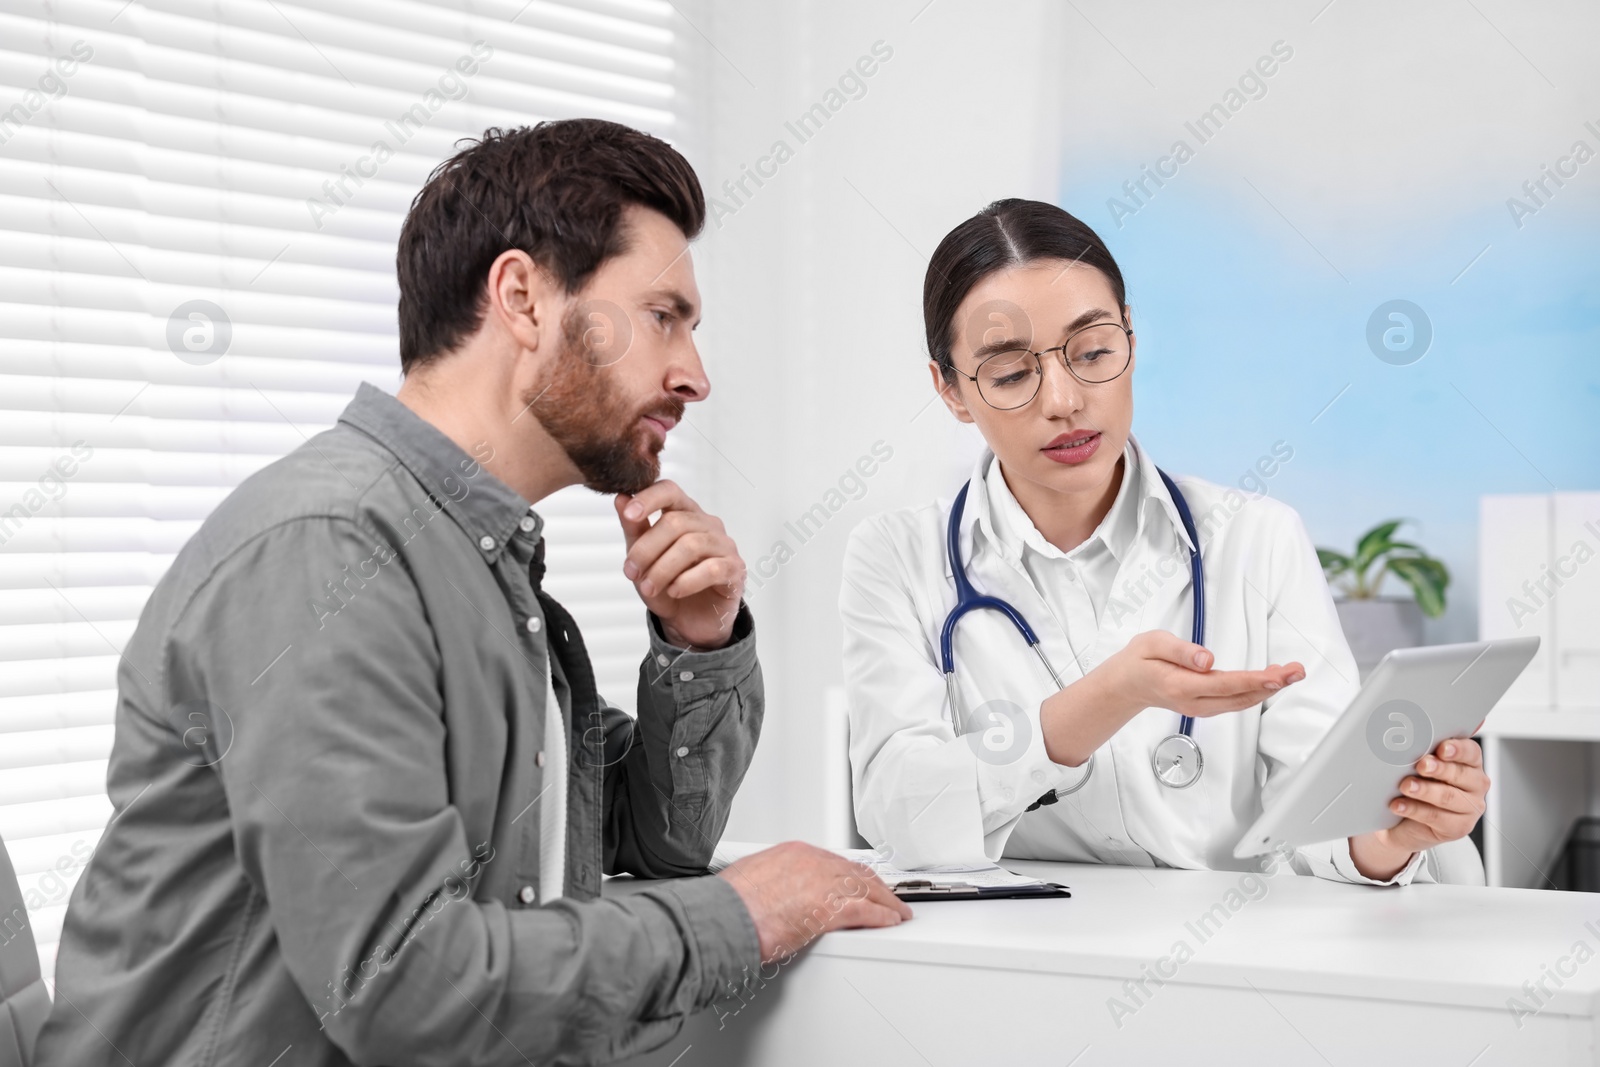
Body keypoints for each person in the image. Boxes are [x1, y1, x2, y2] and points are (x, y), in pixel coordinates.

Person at [35, 119, 909, 1067]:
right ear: (524, 297)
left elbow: (644, 842)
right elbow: (402, 982)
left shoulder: (477, 564)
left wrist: (697, 648)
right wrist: (741, 915)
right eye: (665, 315)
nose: (694, 374)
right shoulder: (332, 552)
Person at [841, 198, 1488, 885]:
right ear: (951, 391)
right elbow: (897, 811)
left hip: (1234, 957)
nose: (1062, 398)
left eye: (1092, 352)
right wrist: (1104, 700)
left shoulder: (1255, 538)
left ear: (1131, 343)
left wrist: (1393, 831)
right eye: (1010, 374)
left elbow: (1318, 817)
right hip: (1023, 957)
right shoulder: (897, 558)